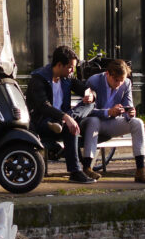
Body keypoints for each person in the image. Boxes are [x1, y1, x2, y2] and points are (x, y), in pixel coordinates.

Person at [26, 46, 96, 184]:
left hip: (61, 121)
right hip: (43, 122)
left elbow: (84, 89)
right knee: (71, 128)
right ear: (59, 65)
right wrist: (66, 117)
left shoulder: (67, 78)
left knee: (89, 105)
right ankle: (75, 172)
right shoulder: (39, 79)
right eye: (70, 67)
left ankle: (63, 123)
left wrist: (90, 94)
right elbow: (43, 106)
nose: (72, 70)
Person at [81, 59, 145, 183]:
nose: (119, 84)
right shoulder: (94, 81)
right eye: (116, 80)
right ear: (108, 74)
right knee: (94, 121)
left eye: (122, 80)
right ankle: (87, 167)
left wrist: (130, 113)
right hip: (92, 121)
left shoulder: (126, 83)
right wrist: (108, 112)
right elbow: (85, 110)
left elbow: (128, 105)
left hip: (111, 123)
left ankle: (140, 170)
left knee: (137, 123)